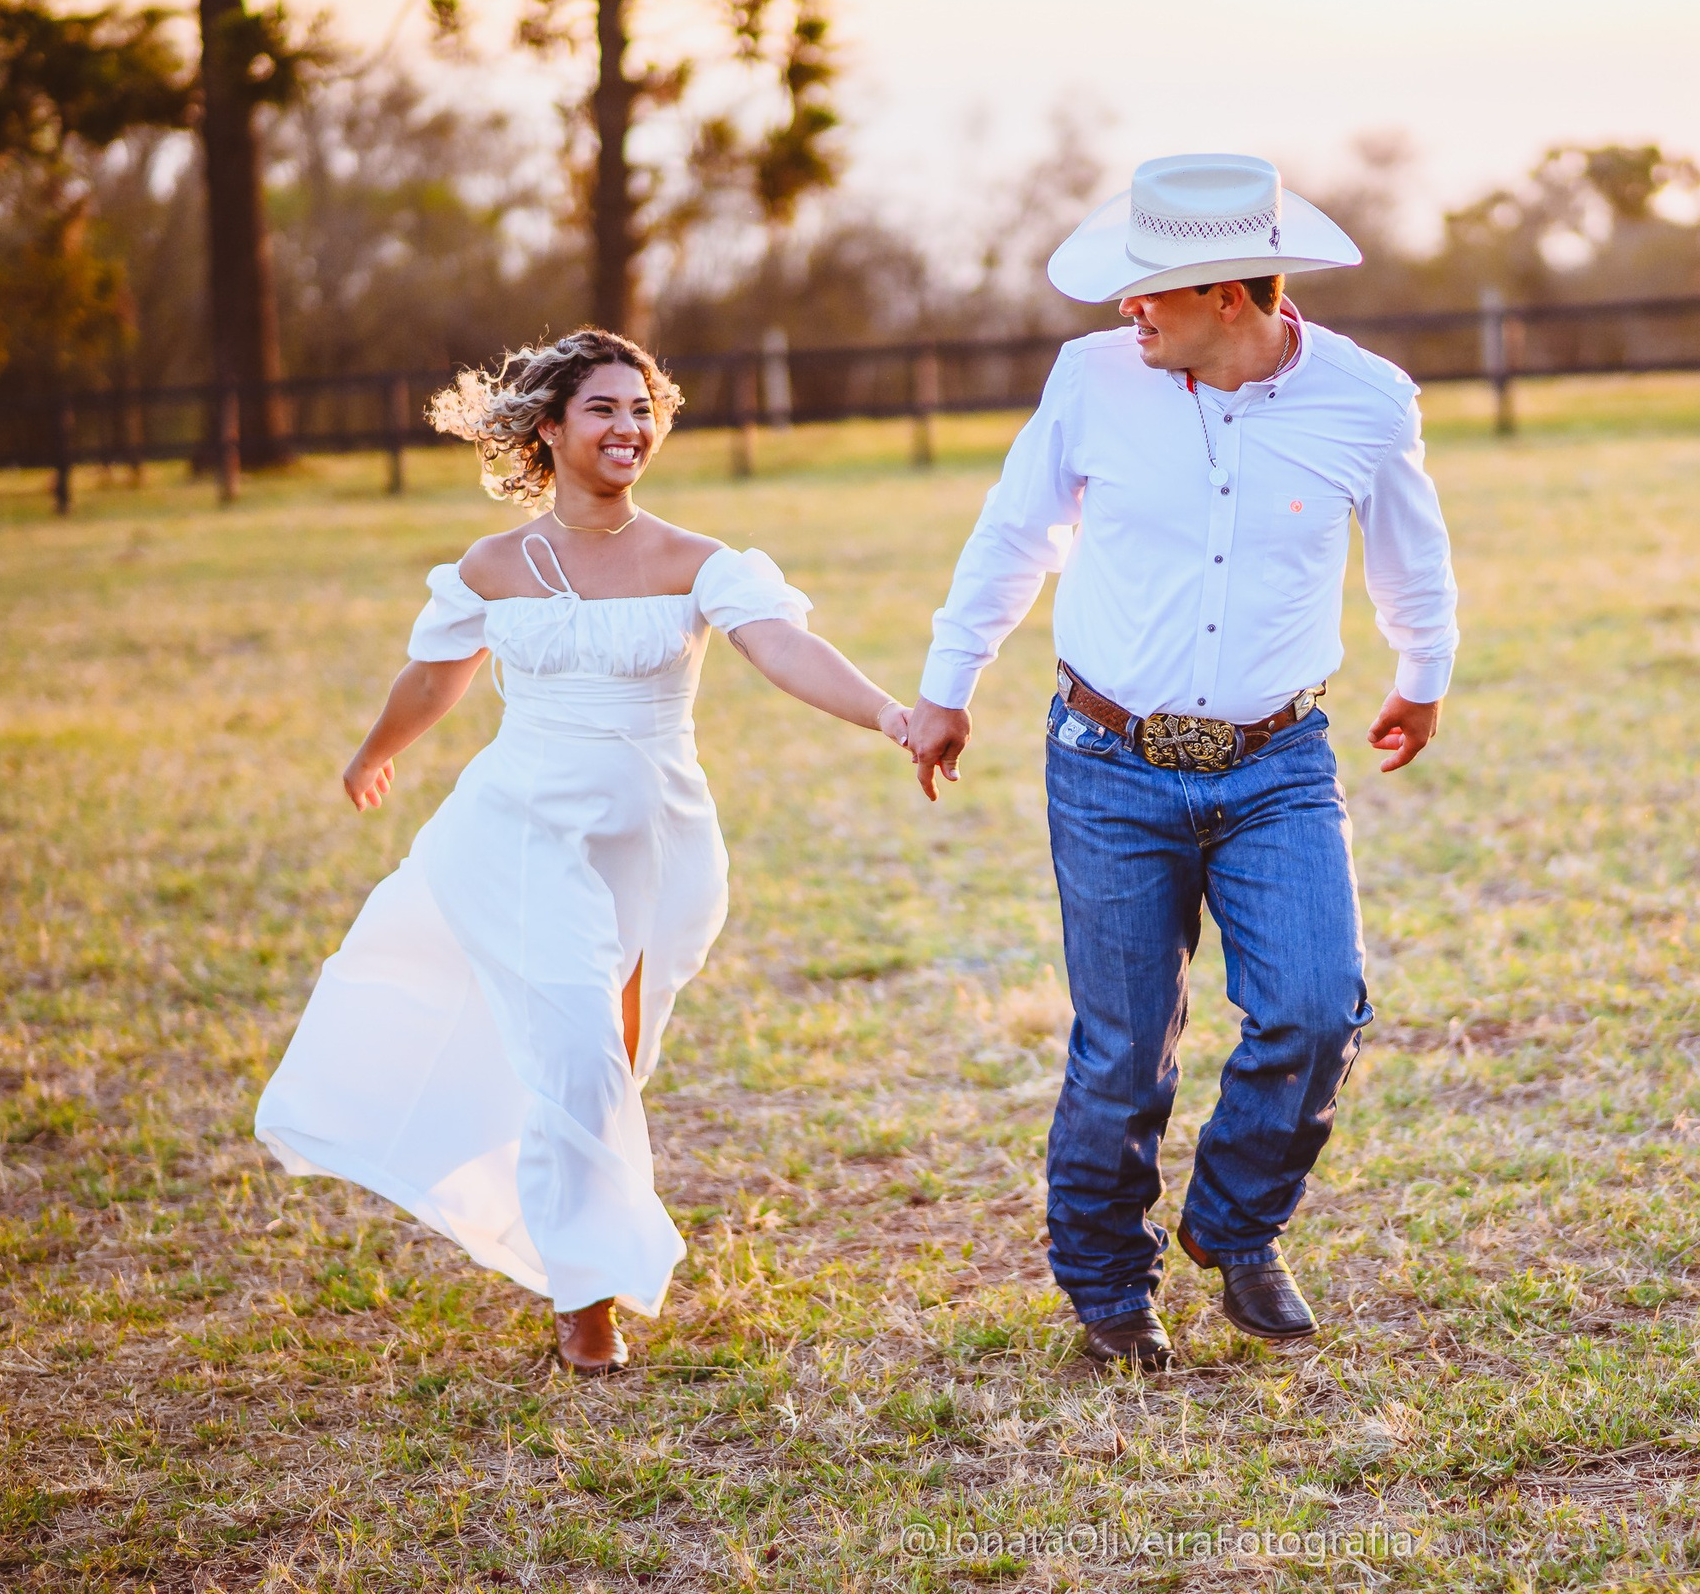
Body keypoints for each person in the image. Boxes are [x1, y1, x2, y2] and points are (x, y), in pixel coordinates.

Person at [255, 328, 911, 1375]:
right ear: (549, 431)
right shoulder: (492, 566)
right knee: (577, 1060)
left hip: (655, 839)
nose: (630, 428)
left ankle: (573, 1242)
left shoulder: (700, 562)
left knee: (615, 1064)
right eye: (604, 409)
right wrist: (374, 753)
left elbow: (781, 647)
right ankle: (587, 1309)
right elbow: (435, 677)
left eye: (643, 408)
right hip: (518, 830)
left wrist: (889, 716)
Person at [908, 154, 1461, 1369]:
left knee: (1317, 1012)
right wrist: (947, 688)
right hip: (1108, 759)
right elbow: (1016, 533)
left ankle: (1234, 1226)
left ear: (1229, 294)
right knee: (1123, 1047)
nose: (1127, 309)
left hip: (1279, 761)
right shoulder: (1091, 381)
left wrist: (1424, 670)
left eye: (1150, 288)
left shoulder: (1367, 399)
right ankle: (1108, 1286)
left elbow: (1409, 552)